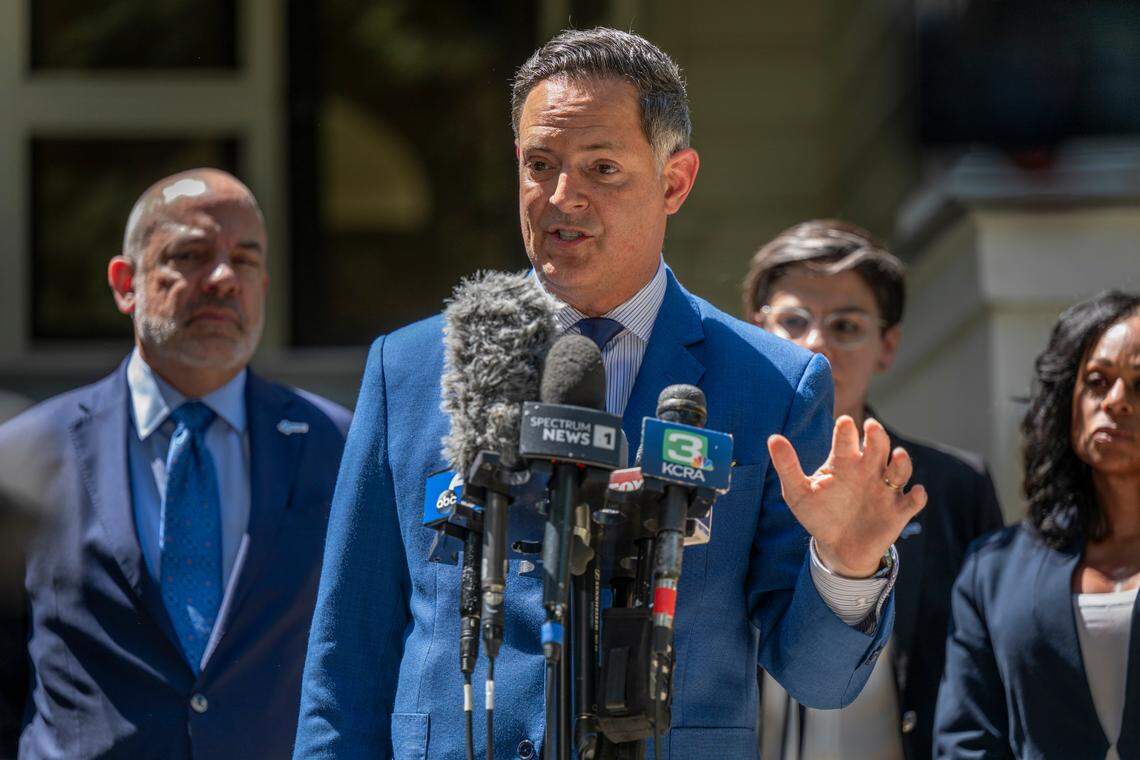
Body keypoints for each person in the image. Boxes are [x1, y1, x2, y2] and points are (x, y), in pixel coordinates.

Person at [295, 28, 928, 759]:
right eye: (540, 165)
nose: (563, 198)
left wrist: (846, 566)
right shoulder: (408, 370)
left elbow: (819, 680)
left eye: (601, 167)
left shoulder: (773, 385)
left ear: (674, 182)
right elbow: (346, 661)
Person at [0, 168, 351, 759]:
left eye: (243, 260)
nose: (221, 279)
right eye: (190, 254)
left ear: (262, 284)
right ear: (125, 283)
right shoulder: (25, 454)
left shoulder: (337, 447)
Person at [743, 220, 1004, 760]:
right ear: (755, 332)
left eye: (845, 326)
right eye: (793, 321)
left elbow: (990, 670)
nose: (816, 345)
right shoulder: (721, 479)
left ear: (887, 346)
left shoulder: (954, 486)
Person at [934, 291, 1140, 759]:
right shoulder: (994, 569)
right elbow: (967, 741)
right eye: (1096, 380)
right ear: (1068, 395)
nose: (1117, 401)